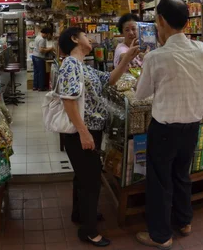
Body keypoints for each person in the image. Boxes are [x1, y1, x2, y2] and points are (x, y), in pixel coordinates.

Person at [134, 0, 203, 249]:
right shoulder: (201, 48)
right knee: (182, 175)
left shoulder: (156, 57)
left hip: (165, 129)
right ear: (187, 23)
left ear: (160, 21)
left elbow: (140, 94)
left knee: (159, 182)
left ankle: (160, 235)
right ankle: (184, 221)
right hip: (192, 126)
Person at [57, 27, 139, 247]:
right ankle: (89, 231)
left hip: (87, 130)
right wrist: (83, 132)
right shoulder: (70, 64)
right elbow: (68, 101)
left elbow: (109, 80)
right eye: (85, 35)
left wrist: (127, 59)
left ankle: (80, 214)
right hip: (80, 132)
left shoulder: (82, 65)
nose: (90, 38)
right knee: (91, 181)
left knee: (83, 176)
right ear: (75, 39)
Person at [32, 27, 54, 91]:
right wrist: (50, 49)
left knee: (36, 72)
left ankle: (35, 86)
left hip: (34, 56)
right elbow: (41, 50)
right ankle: (41, 87)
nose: (48, 36)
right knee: (41, 73)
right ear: (46, 33)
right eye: (48, 35)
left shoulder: (38, 36)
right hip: (39, 57)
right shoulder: (42, 39)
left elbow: (40, 48)